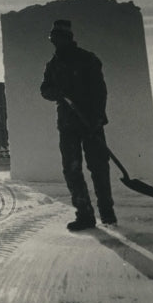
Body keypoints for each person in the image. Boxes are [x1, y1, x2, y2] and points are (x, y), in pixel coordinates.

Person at [39, 20, 116, 231]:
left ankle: (107, 212)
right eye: (52, 38)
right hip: (67, 124)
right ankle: (84, 214)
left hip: (91, 122)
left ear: (67, 38)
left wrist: (98, 118)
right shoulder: (52, 64)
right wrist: (55, 92)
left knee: (99, 167)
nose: (54, 41)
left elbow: (100, 91)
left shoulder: (87, 59)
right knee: (71, 169)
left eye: (58, 37)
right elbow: (44, 89)